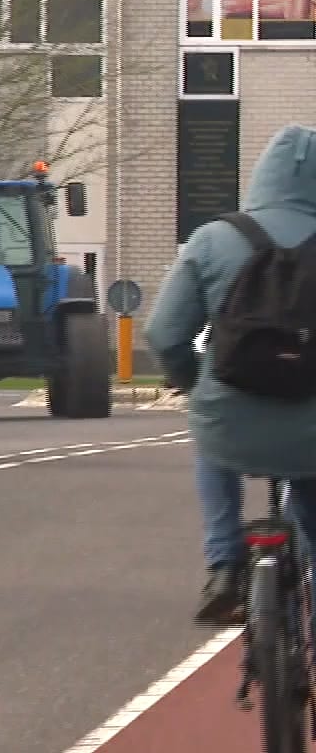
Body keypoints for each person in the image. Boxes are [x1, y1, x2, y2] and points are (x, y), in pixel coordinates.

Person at [144, 122, 316, 626]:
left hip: (231, 415)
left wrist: (194, 384)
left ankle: (223, 563)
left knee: (212, 443)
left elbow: (164, 333)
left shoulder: (216, 238)